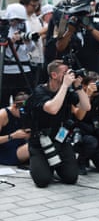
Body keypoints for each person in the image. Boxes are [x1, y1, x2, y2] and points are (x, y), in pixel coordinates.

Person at [27, 60, 91, 188]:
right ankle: (43, 166)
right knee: (43, 180)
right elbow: (52, 109)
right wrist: (65, 86)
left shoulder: (67, 91)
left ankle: (52, 165)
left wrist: (78, 87)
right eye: (64, 73)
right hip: (40, 142)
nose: (68, 76)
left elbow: (86, 106)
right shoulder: (39, 91)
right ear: (54, 75)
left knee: (71, 178)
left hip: (60, 139)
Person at [55, 0, 99, 80]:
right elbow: (59, 47)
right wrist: (70, 31)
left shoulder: (95, 22)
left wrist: (90, 28)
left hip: (96, 70)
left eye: (83, 14)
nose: (81, 18)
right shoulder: (69, 24)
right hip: (76, 71)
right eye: (78, 14)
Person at [1, 3, 36, 108]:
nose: (18, 22)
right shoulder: (2, 27)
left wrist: (27, 41)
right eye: (15, 19)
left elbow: (32, 48)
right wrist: (9, 42)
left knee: (24, 102)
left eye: (20, 20)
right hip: (5, 71)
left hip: (23, 69)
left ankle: (23, 121)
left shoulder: (25, 25)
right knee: (3, 102)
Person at [20, 0, 44, 86]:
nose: (35, 8)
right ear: (25, 4)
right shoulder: (22, 19)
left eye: (37, 6)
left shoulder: (35, 18)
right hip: (28, 58)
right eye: (33, 6)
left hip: (39, 57)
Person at [0, 92, 30, 166]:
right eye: (21, 113)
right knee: (34, 147)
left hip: (20, 147)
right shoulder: (2, 115)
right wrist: (12, 136)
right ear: (14, 106)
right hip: (4, 151)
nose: (23, 116)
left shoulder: (27, 116)